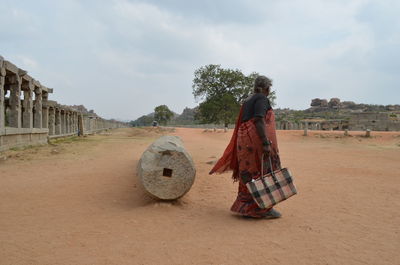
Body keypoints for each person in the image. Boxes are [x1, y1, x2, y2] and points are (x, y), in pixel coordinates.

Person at [209, 75, 282, 219]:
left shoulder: (248, 99)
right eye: (269, 89)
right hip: (255, 141)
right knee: (262, 171)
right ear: (266, 88)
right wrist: (265, 143)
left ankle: (246, 207)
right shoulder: (261, 98)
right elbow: (259, 119)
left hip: (244, 141)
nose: (269, 91)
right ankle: (262, 209)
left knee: (248, 172)